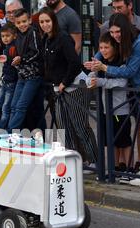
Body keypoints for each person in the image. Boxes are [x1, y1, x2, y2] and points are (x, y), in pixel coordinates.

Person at [86, 13, 140, 186]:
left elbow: (129, 71)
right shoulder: (121, 40)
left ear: (126, 28)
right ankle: (139, 169)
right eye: (112, 32)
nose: (115, 36)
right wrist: (94, 63)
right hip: (136, 89)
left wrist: (104, 67)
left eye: (117, 31)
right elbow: (102, 52)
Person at [40, 7, 97, 165]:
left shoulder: (63, 37)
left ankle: (94, 162)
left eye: (48, 21)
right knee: (64, 128)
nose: (45, 25)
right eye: (42, 22)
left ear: (54, 21)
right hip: (57, 90)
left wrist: (64, 82)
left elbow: (74, 63)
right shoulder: (45, 39)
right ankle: (74, 162)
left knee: (79, 125)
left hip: (74, 86)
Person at [86, 32, 130, 174]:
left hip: (120, 108)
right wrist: (92, 77)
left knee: (123, 140)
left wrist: (100, 82)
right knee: (111, 140)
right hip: (105, 108)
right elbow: (89, 78)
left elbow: (122, 82)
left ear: (114, 48)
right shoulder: (100, 63)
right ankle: (114, 167)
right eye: (101, 47)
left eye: (106, 47)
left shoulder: (121, 63)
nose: (103, 50)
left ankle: (128, 169)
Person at [6, 8, 43, 132]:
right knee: (13, 106)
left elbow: (37, 52)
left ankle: (11, 133)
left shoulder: (32, 32)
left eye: (24, 21)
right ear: (15, 23)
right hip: (22, 75)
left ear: (30, 20)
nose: (22, 25)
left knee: (21, 106)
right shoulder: (17, 34)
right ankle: (12, 133)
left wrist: (21, 59)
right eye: (19, 22)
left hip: (33, 76)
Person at [100, 0, 140, 65]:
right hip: (113, 70)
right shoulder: (106, 26)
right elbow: (101, 50)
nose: (116, 11)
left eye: (119, 8)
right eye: (114, 8)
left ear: (130, 5)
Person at [0, 22, 18, 130]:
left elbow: (14, 63)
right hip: (6, 81)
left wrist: (7, 59)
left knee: (5, 108)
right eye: (3, 36)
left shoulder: (13, 47)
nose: (5, 38)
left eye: (7, 36)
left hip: (11, 82)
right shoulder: (6, 47)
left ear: (14, 36)